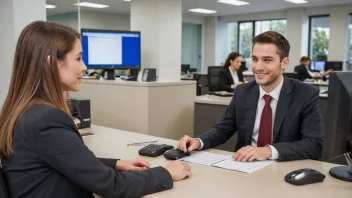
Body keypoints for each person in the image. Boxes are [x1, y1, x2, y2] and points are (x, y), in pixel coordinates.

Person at [0, 21, 191, 198]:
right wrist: (165, 173)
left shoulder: (23, 111)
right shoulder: (45, 119)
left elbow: (66, 159)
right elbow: (112, 186)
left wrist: (116, 164)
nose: (84, 67)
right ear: (51, 63)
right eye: (78, 58)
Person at [177, 31, 324, 162]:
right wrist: (198, 141)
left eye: (267, 60)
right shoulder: (243, 92)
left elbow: (314, 144)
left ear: (284, 62)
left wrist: (267, 151)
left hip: (283, 168)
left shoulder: (305, 94)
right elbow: (223, 129)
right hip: (244, 167)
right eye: (254, 59)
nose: (258, 67)